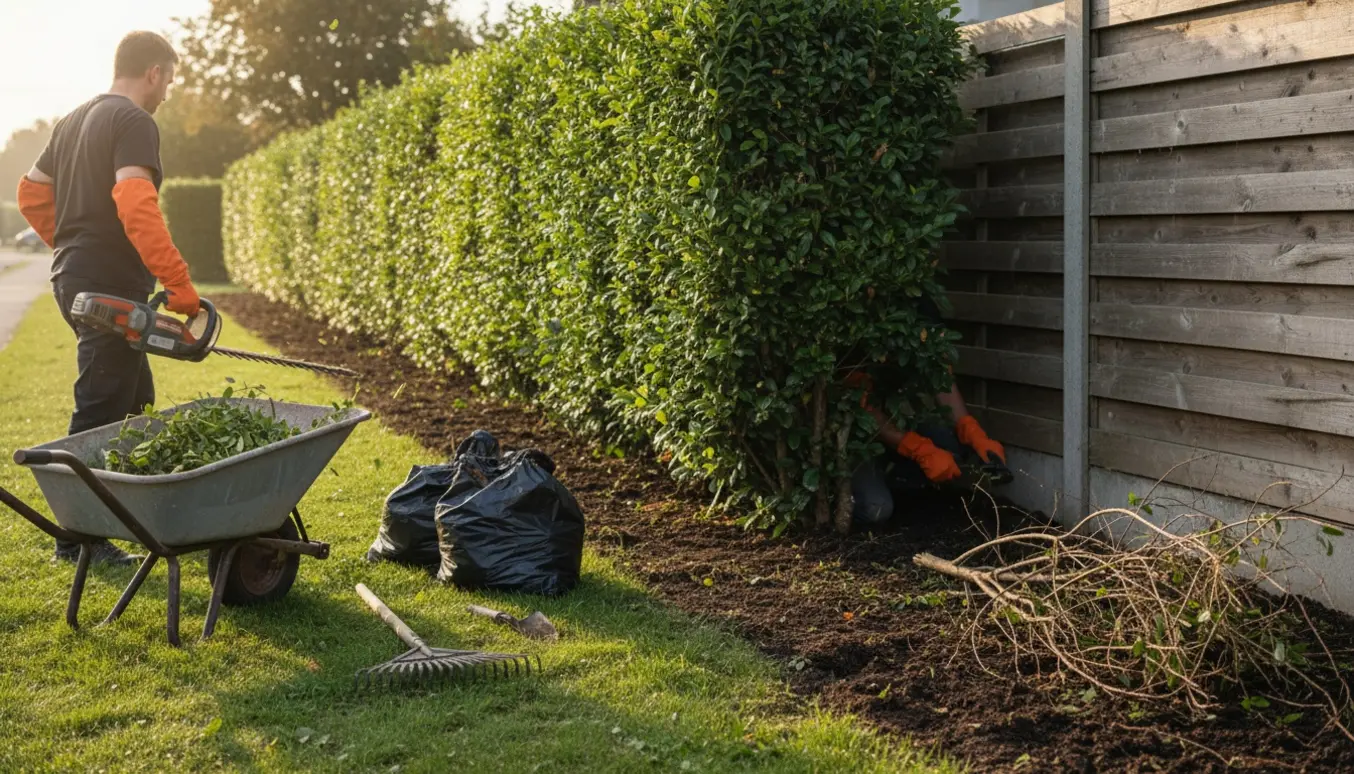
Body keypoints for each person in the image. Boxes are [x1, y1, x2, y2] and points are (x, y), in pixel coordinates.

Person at [16, 31, 201, 565]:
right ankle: (77, 541)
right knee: (101, 406)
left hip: (76, 279)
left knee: (134, 404)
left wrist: (71, 246)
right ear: (154, 72)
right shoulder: (134, 121)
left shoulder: (75, 118)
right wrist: (180, 283)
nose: (168, 90)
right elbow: (135, 199)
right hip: (107, 285)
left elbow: (31, 192)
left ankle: (130, 519)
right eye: (169, 78)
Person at [846, 299, 1007, 526]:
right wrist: (920, 449)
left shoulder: (924, 319)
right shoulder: (869, 338)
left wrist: (973, 432)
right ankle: (847, 498)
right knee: (876, 509)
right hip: (853, 440)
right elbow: (866, 414)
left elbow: (944, 385)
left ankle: (893, 484)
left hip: (888, 431)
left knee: (952, 447)